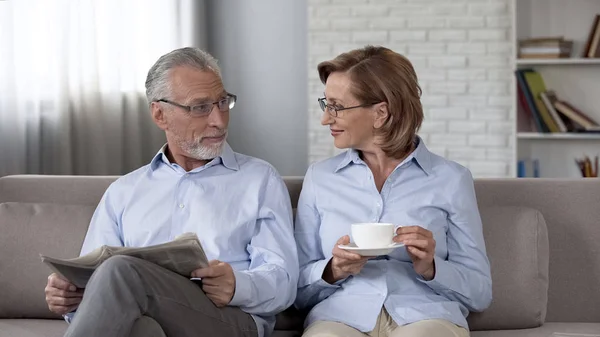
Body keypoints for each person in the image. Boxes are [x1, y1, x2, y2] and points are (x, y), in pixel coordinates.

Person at [43, 47, 299, 337]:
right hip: (146, 319)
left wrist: (237, 285)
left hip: (229, 320)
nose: (219, 120)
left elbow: (285, 282)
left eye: (223, 102)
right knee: (140, 328)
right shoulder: (124, 192)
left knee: (121, 270)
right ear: (160, 114)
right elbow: (96, 283)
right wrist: (71, 299)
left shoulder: (260, 179)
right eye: (200, 107)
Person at [294, 45, 492, 337]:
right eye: (327, 104)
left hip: (426, 317)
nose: (326, 118)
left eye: (336, 107)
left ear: (381, 113)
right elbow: (293, 289)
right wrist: (334, 269)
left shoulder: (451, 179)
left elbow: (480, 292)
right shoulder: (320, 178)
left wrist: (430, 267)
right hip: (340, 318)